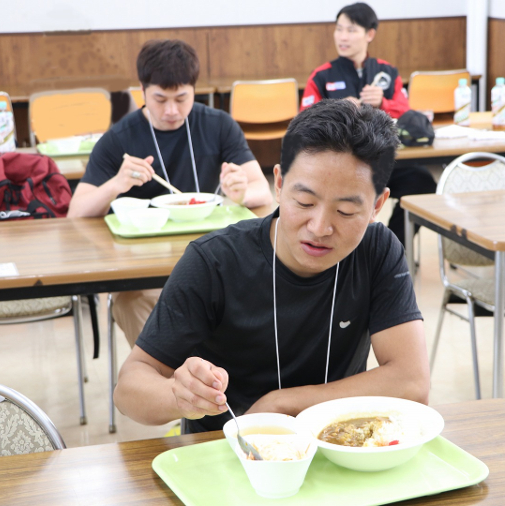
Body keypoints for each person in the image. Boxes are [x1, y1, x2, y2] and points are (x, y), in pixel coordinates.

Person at [114, 99, 430, 434]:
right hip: (229, 457)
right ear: (278, 184)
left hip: (338, 452)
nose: (320, 227)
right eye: (304, 202)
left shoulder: (377, 250)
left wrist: (281, 403)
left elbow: (411, 382)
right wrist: (177, 395)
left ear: (377, 205)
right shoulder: (214, 261)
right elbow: (129, 390)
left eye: (346, 212)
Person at [68, 39, 273, 346]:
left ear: (194, 89)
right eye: (160, 99)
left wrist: (240, 192)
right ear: (142, 90)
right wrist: (115, 185)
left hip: (212, 258)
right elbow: (76, 211)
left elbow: (262, 191)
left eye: (181, 98)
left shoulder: (218, 125)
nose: (172, 111)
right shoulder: (119, 138)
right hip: (145, 267)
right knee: (130, 302)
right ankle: (168, 381)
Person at [300, 2, 436, 245]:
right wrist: (339, 109)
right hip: (339, 168)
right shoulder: (322, 75)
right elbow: (303, 122)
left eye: (351, 30)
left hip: (382, 162)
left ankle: (392, 246)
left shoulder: (388, 72)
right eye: (339, 29)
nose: (342, 37)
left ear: (369, 34)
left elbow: (406, 114)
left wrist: (383, 102)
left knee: (422, 181)